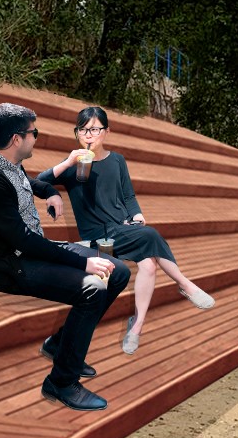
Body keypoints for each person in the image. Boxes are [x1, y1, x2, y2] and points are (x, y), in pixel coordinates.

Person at [0, 102, 130, 411]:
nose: (36, 138)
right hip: (10, 264)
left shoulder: (8, 162)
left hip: (30, 250)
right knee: (93, 286)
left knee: (117, 271)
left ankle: (60, 345)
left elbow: (29, 184)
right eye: (33, 133)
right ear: (17, 139)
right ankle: (61, 382)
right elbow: (24, 241)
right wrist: (84, 262)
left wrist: (50, 192)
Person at [37, 106, 216, 357]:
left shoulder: (117, 160)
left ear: (106, 132)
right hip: (98, 238)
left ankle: (137, 326)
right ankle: (184, 283)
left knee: (149, 265)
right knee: (108, 285)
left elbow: (128, 195)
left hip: (122, 229)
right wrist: (68, 163)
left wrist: (137, 215)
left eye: (95, 129)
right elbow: (38, 181)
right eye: (83, 130)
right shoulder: (74, 167)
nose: (89, 135)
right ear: (77, 133)